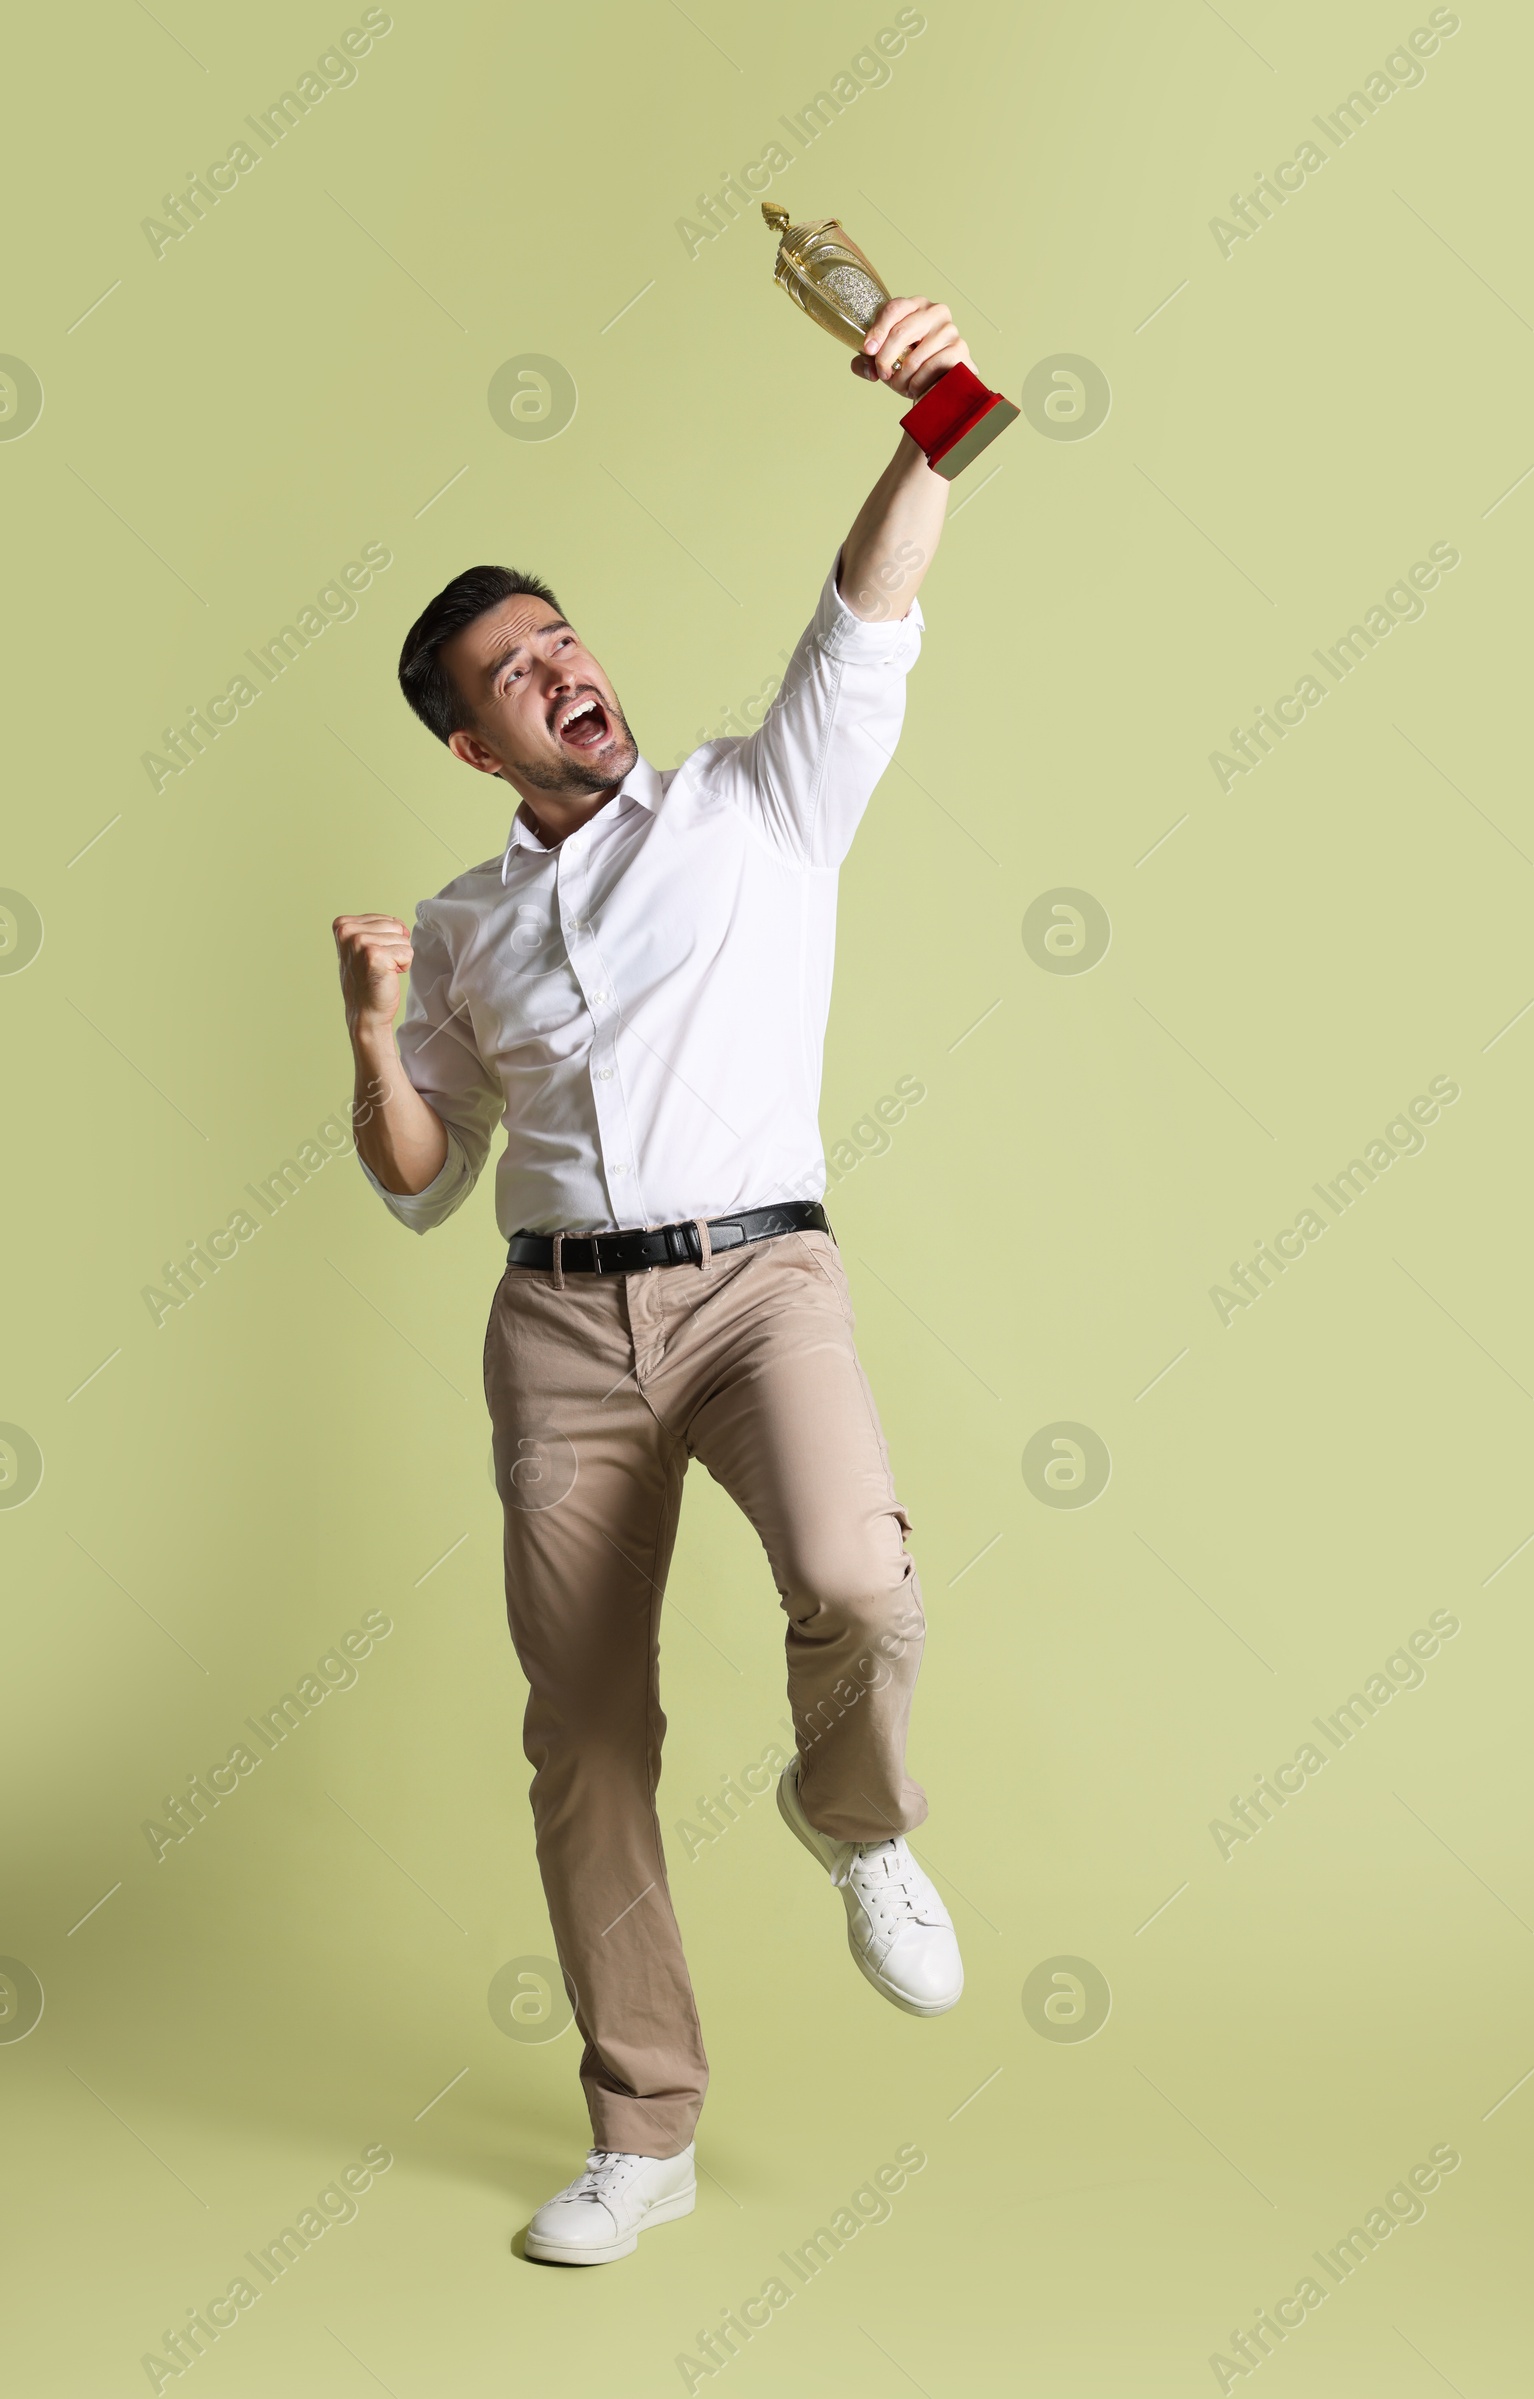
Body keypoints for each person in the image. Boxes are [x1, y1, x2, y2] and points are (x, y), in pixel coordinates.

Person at [332, 293, 971, 2268]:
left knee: (858, 1579)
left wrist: (928, 420)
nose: (559, 674)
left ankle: (854, 1821)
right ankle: (646, 2131)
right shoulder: (454, 928)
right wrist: (369, 1035)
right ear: (469, 742)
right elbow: (420, 1183)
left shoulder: (751, 805)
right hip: (557, 1328)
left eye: (562, 639)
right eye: (511, 676)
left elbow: (864, 610)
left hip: (758, 1284)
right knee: (583, 1728)